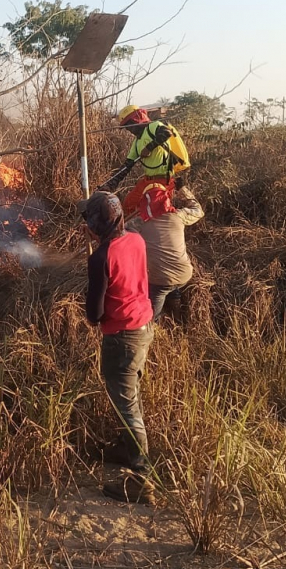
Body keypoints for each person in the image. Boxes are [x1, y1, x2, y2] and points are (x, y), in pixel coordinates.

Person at [78, 191, 156, 504]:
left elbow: (94, 315)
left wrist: (94, 267)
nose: (86, 226)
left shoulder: (100, 258)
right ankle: (127, 448)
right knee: (129, 393)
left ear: (97, 226)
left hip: (122, 336)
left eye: (90, 221)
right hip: (143, 327)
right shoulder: (135, 239)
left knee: (127, 405)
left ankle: (142, 479)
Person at [127, 181, 204, 320]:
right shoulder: (179, 216)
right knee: (174, 285)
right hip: (184, 274)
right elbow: (198, 210)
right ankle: (177, 315)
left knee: (152, 311)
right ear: (166, 199)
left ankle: (153, 323)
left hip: (159, 280)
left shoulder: (138, 222)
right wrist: (182, 189)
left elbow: (116, 232)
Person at [100, 104, 189, 219]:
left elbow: (166, 133)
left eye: (129, 124)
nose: (129, 129)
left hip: (163, 181)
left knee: (157, 213)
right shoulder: (137, 143)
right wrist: (110, 185)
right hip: (148, 180)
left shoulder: (153, 126)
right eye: (126, 126)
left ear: (137, 118)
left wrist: (149, 147)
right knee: (129, 205)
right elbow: (127, 166)